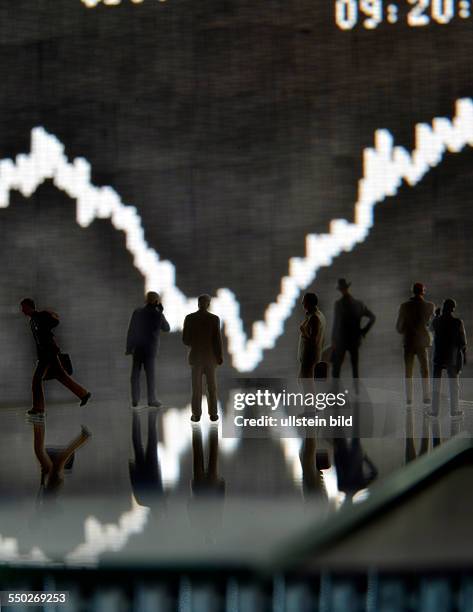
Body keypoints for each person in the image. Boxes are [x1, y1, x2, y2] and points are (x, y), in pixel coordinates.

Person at [20, 298, 91, 418]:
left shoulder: (41, 316)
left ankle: (39, 409)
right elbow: (39, 341)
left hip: (49, 353)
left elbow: (55, 321)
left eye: (23, 307)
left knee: (36, 380)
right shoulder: (32, 321)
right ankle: (83, 394)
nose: (22, 310)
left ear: (29, 307)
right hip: (45, 354)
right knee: (61, 376)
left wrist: (51, 314)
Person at [182, 294, 223, 422]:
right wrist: (219, 356)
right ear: (208, 304)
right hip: (210, 358)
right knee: (212, 388)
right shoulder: (214, 319)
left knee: (196, 388)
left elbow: (185, 340)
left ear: (198, 303)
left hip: (196, 357)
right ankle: (213, 414)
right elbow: (217, 341)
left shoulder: (190, 318)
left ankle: (196, 414)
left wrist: (195, 342)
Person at [126, 291, 170, 407]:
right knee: (150, 376)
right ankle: (151, 400)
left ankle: (135, 400)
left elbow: (131, 330)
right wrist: (161, 312)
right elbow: (167, 328)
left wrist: (129, 347)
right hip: (150, 350)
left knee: (135, 374)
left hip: (138, 348)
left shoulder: (137, 312)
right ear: (157, 302)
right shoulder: (158, 315)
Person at [396, 282, 435, 405]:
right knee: (425, 371)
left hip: (408, 341)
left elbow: (399, 327)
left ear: (412, 291)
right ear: (423, 291)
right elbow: (431, 324)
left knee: (408, 372)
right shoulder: (429, 306)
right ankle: (426, 397)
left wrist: (406, 329)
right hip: (422, 342)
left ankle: (409, 398)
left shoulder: (404, 306)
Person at [331, 279, 376, 383]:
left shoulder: (338, 304)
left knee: (337, 367)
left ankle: (335, 391)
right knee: (355, 367)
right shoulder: (358, 304)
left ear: (340, 290)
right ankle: (356, 390)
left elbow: (336, 323)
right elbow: (372, 317)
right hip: (355, 340)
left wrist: (333, 340)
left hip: (342, 340)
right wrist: (363, 331)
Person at [429, 299, 467, 418]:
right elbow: (463, 342)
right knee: (453, 386)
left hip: (438, 357)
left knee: (436, 385)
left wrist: (436, 315)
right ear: (453, 309)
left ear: (443, 307)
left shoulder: (436, 321)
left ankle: (434, 412)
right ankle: (454, 411)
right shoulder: (458, 322)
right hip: (452, 357)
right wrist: (463, 356)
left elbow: (429, 328)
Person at [298, 292, 326, 379]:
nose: (302, 303)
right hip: (310, 356)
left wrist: (303, 331)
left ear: (309, 303)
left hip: (309, 357)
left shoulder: (314, 318)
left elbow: (313, 340)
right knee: (301, 380)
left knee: (306, 382)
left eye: (304, 301)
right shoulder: (316, 315)